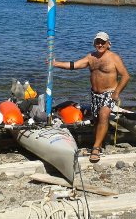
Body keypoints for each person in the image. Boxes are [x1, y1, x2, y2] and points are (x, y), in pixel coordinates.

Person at [53, 31, 130, 163]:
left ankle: (96, 148)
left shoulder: (114, 58)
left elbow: (126, 76)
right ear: (94, 43)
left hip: (109, 93)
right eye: (97, 42)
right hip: (95, 94)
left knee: (104, 115)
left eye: (103, 42)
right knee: (97, 119)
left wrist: (116, 92)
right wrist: (56, 64)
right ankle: (100, 141)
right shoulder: (91, 57)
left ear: (108, 44)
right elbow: (75, 65)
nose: (100, 44)